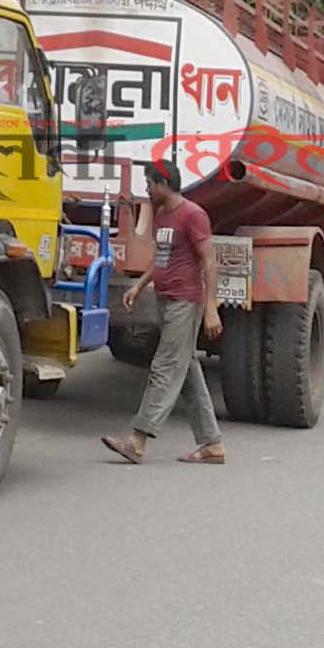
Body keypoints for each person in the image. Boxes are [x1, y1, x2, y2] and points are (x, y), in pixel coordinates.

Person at [102, 161, 225, 466]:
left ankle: (137, 440)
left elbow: (209, 261)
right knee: (186, 372)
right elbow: (161, 258)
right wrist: (139, 287)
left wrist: (210, 308)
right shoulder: (162, 215)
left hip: (186, 301)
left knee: (164, 366)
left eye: (149, 183)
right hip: (165, 299)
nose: (146, 188)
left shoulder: (193, 215)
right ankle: (212, 444)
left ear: (164, 183)